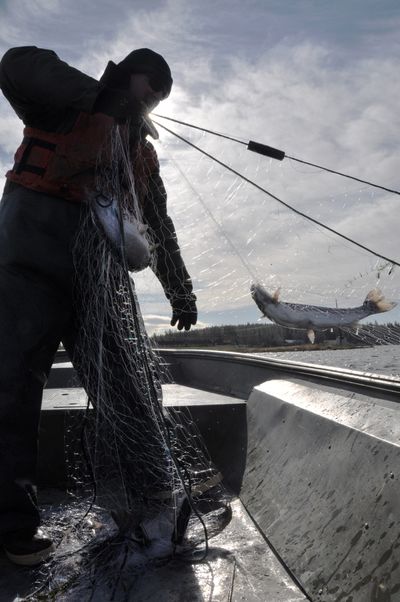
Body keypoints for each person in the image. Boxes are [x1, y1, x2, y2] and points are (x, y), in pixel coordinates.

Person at [0, 45, 197, 566]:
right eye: (148, 87)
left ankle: (153, 505)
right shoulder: (65, 101)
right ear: (126, 76)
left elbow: (158, 225)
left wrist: (180, 289)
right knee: (11, 390)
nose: (151, 102)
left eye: (158, 99)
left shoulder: (141, 152)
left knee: (128, 392)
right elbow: (15, 63)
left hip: (97, 283)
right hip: (27, 270)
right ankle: (14, 530)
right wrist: (99, 97)